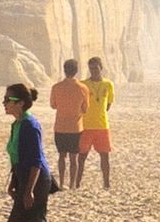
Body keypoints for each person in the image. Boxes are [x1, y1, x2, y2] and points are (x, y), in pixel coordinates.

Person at [1, 81, 56, 222]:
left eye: (9, 99)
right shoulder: (17, 124)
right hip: (24, 177)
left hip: (36, 179)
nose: (5, 103)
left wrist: (29, 190)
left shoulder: (29, 125)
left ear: (21, 103)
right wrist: (14, 183)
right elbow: (17, 157)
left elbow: (35, 160)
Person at [48, 59, 88, 190]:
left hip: (60, 127)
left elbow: (53, 105)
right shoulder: (83, 88)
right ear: (76, 71)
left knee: (61, 156)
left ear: (64, 70)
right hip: (75, 128)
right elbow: (85, 109)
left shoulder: (56, 87)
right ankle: (72, 184)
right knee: (73, 158)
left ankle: (61, 183)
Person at [80, 56, 118, 191]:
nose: (94, 71)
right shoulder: (83, 84)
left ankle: (106, 183)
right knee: (82, 156)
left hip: (102, 126)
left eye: (96, 68)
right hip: (85, 126)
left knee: (104, 155)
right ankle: (77, 183)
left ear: (101, 68)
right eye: (91, 68)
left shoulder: (108, 85)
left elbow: (108, 105)